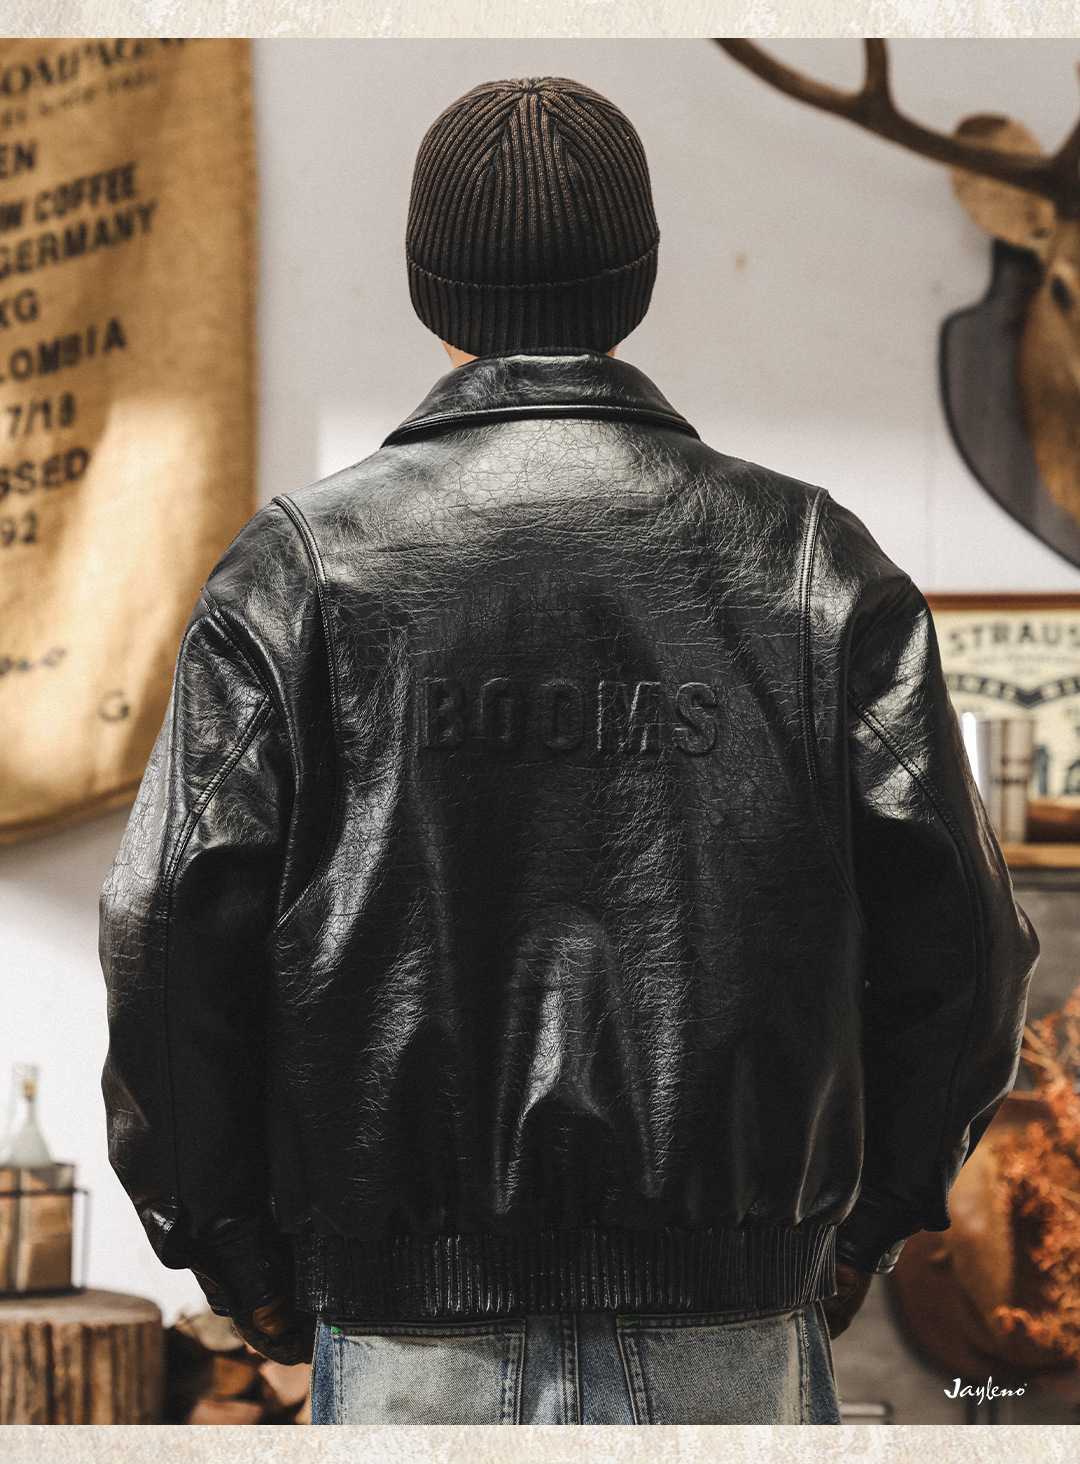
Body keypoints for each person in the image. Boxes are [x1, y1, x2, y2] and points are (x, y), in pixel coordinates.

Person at [99, 76, 1038, 1425]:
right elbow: (969, 946)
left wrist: (238, 1256)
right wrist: (862, 1224)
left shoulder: (300, 571)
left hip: (409, 1339)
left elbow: (164, 930)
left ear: (429, 289)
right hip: (737, 1333)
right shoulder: (811, 563)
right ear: (637, 280)